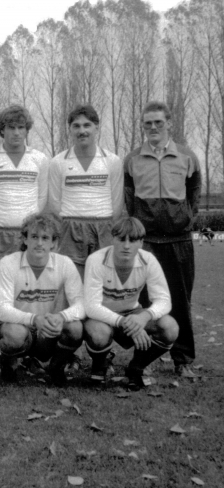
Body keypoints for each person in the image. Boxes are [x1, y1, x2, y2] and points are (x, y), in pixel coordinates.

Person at [123, 101, 201, 379]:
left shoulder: (187, 156)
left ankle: (183, 359)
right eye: (147, 123)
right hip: (147, 241)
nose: (153, 127)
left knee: (180, 299)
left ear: (169, 123)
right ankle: (146, 357)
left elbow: (193, 193)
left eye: (158, 122)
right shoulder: (132, 159)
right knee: (143, 301)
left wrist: (184, 219)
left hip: (179, 240)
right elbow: (129, 198)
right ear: (142, 126)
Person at [83, 217, 179, 390]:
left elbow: (164, 300)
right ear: (112, 239)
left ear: (141, 242)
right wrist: (127, 323)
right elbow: (91, 306)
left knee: (170, 327)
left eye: (133, 240)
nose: (126, 246)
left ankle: (136, 367)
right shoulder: (96, 260)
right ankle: (99, 366)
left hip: (132, 313)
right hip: (102, 317)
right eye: (121, 239)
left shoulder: (148, 260)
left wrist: (144, 316)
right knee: (99, 333)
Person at [0, 213, 85, 386]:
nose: (39, 243)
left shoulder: (64, 263)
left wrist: (61, 317)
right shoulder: (8, 263)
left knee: (75, 327)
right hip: (21, 327)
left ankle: (56, 367)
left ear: (54, 243)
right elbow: (1, 308)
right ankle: (8, 364)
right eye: (34, 237)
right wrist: (34, 319)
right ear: (25, 239)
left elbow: (81, 304)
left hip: (49, 329)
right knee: (14, 334)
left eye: (45, 238)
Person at [0, 105, 48, 286]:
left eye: (21, 127)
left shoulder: (40, 159)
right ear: (2, 130)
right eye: (11, 127)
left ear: (26, 130)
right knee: (1, 292)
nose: (16, 132)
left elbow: (42, 196)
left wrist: (30, 222)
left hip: (30, 235)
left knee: (28, 290)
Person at [48, 105, 123, 277]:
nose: (82, 131)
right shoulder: (58, 162)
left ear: (96, 127)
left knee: (103, 286)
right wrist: (69, 224)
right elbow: (54, 202)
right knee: (72, 286)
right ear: (70, 130)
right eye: (76, 126)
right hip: (71, 229)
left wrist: (107, 228)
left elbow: (117, 203)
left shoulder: (112, 160)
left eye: (87, 125)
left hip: (103, 228)